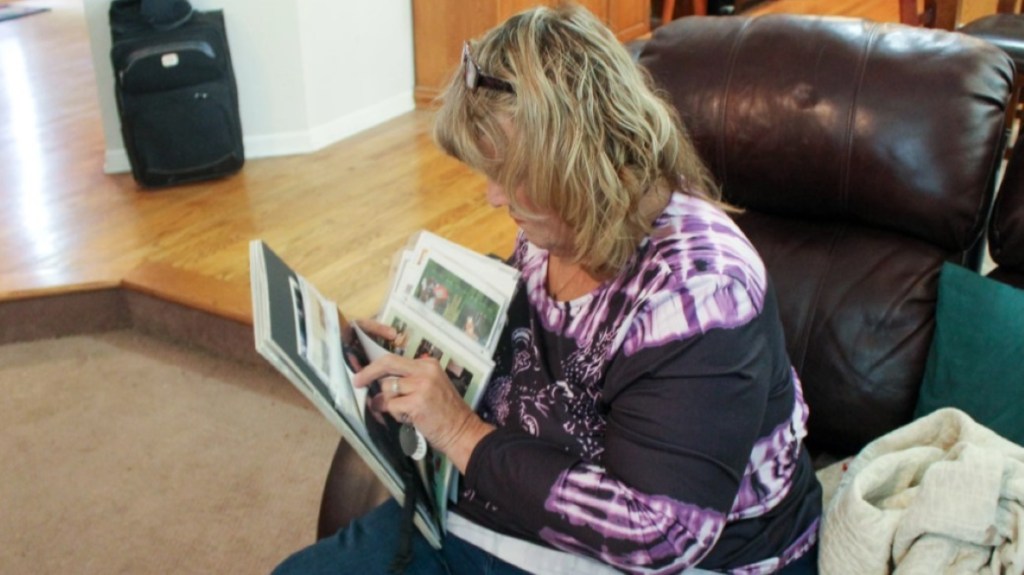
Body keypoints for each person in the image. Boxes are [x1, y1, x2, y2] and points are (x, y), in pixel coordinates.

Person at [272, 4, 821, 574]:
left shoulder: (701, 294)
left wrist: (461, 432)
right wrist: (407, 348)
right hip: (522, 493)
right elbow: (535, 340)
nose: (491, 196)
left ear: (578, 165)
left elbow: (658, 535)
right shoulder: (561, 222)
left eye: (509, 174)